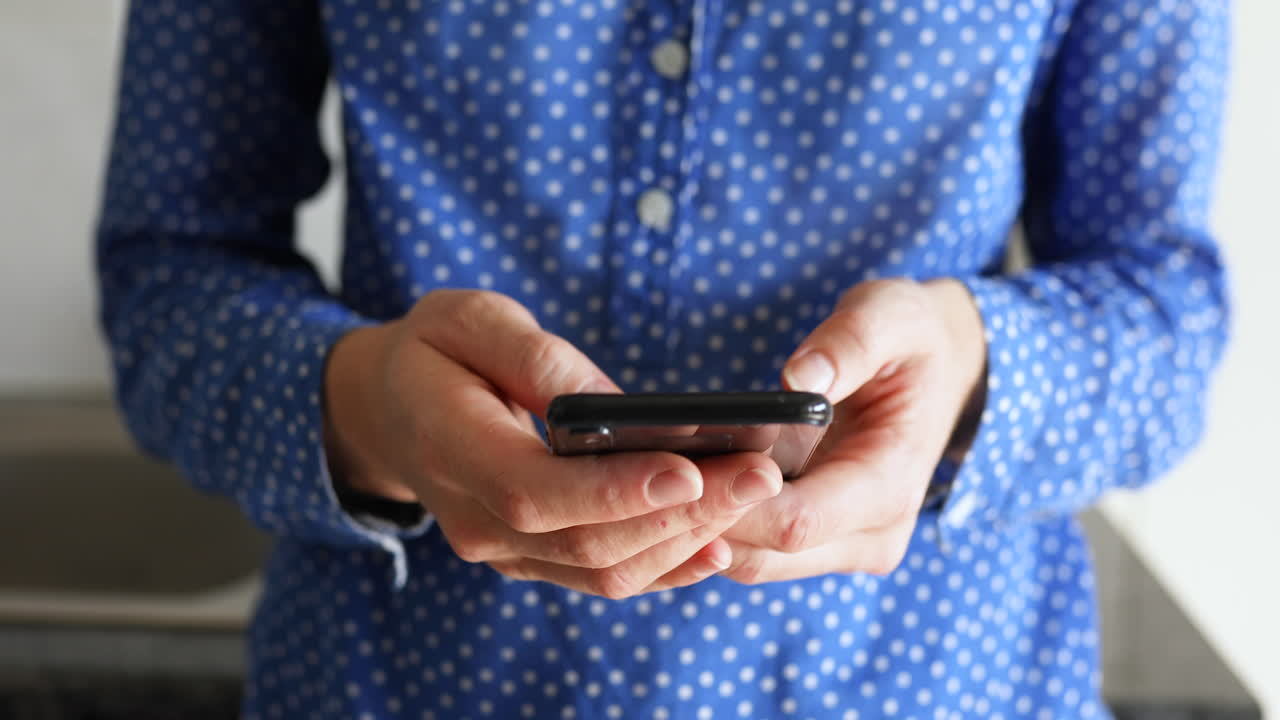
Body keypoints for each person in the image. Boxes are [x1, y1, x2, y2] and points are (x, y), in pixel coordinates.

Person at [95, 0, 1228, 717]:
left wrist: (978, 367)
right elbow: (170, 275)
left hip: (929, 683)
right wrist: (371, 413)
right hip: (401, 678)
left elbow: (1164, 311)